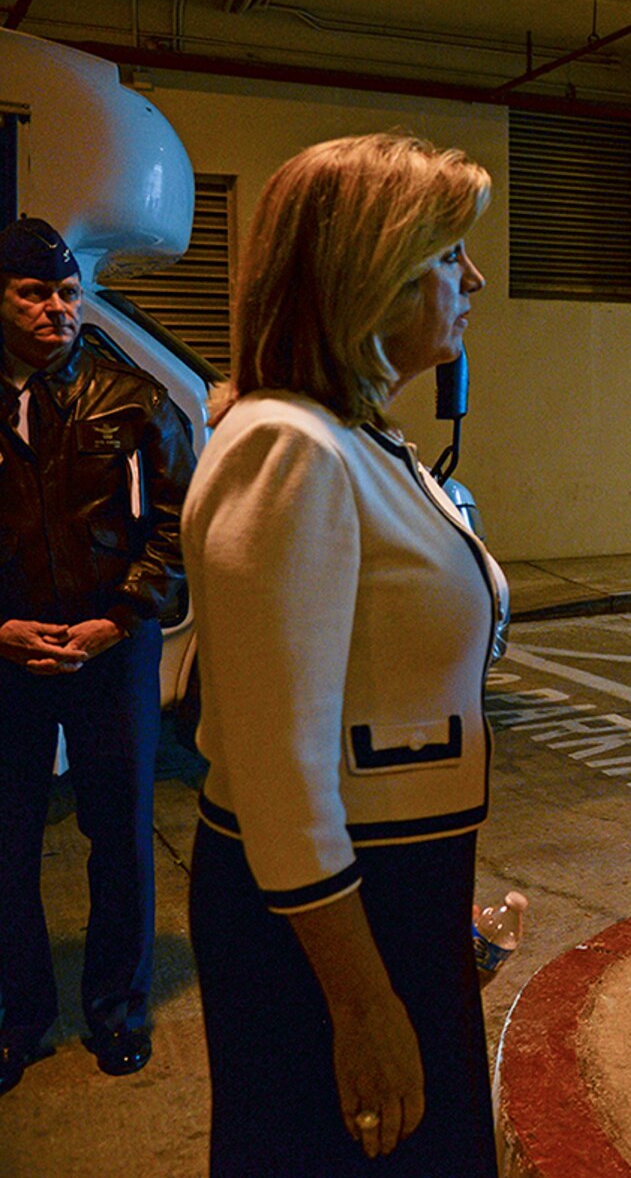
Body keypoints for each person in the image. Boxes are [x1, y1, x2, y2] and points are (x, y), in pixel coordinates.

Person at [181, 134, 506, 1174]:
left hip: (388, 891)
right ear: (375, 272)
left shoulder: (356, 438)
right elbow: (281, 774)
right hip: (329, 916)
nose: (475, 279)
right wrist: (364, 1000)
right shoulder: (294, 448)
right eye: (451, 253)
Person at [0, 216, 195, 1095]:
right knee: (7, 843)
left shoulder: (133, 398)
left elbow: (182, 527)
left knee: (119, 835)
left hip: (112, 651)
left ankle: (117, 1009)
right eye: (34, 293)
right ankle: (20, 1018)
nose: (57, 309)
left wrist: (120, 620)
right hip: (6, 658)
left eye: (68, 294)